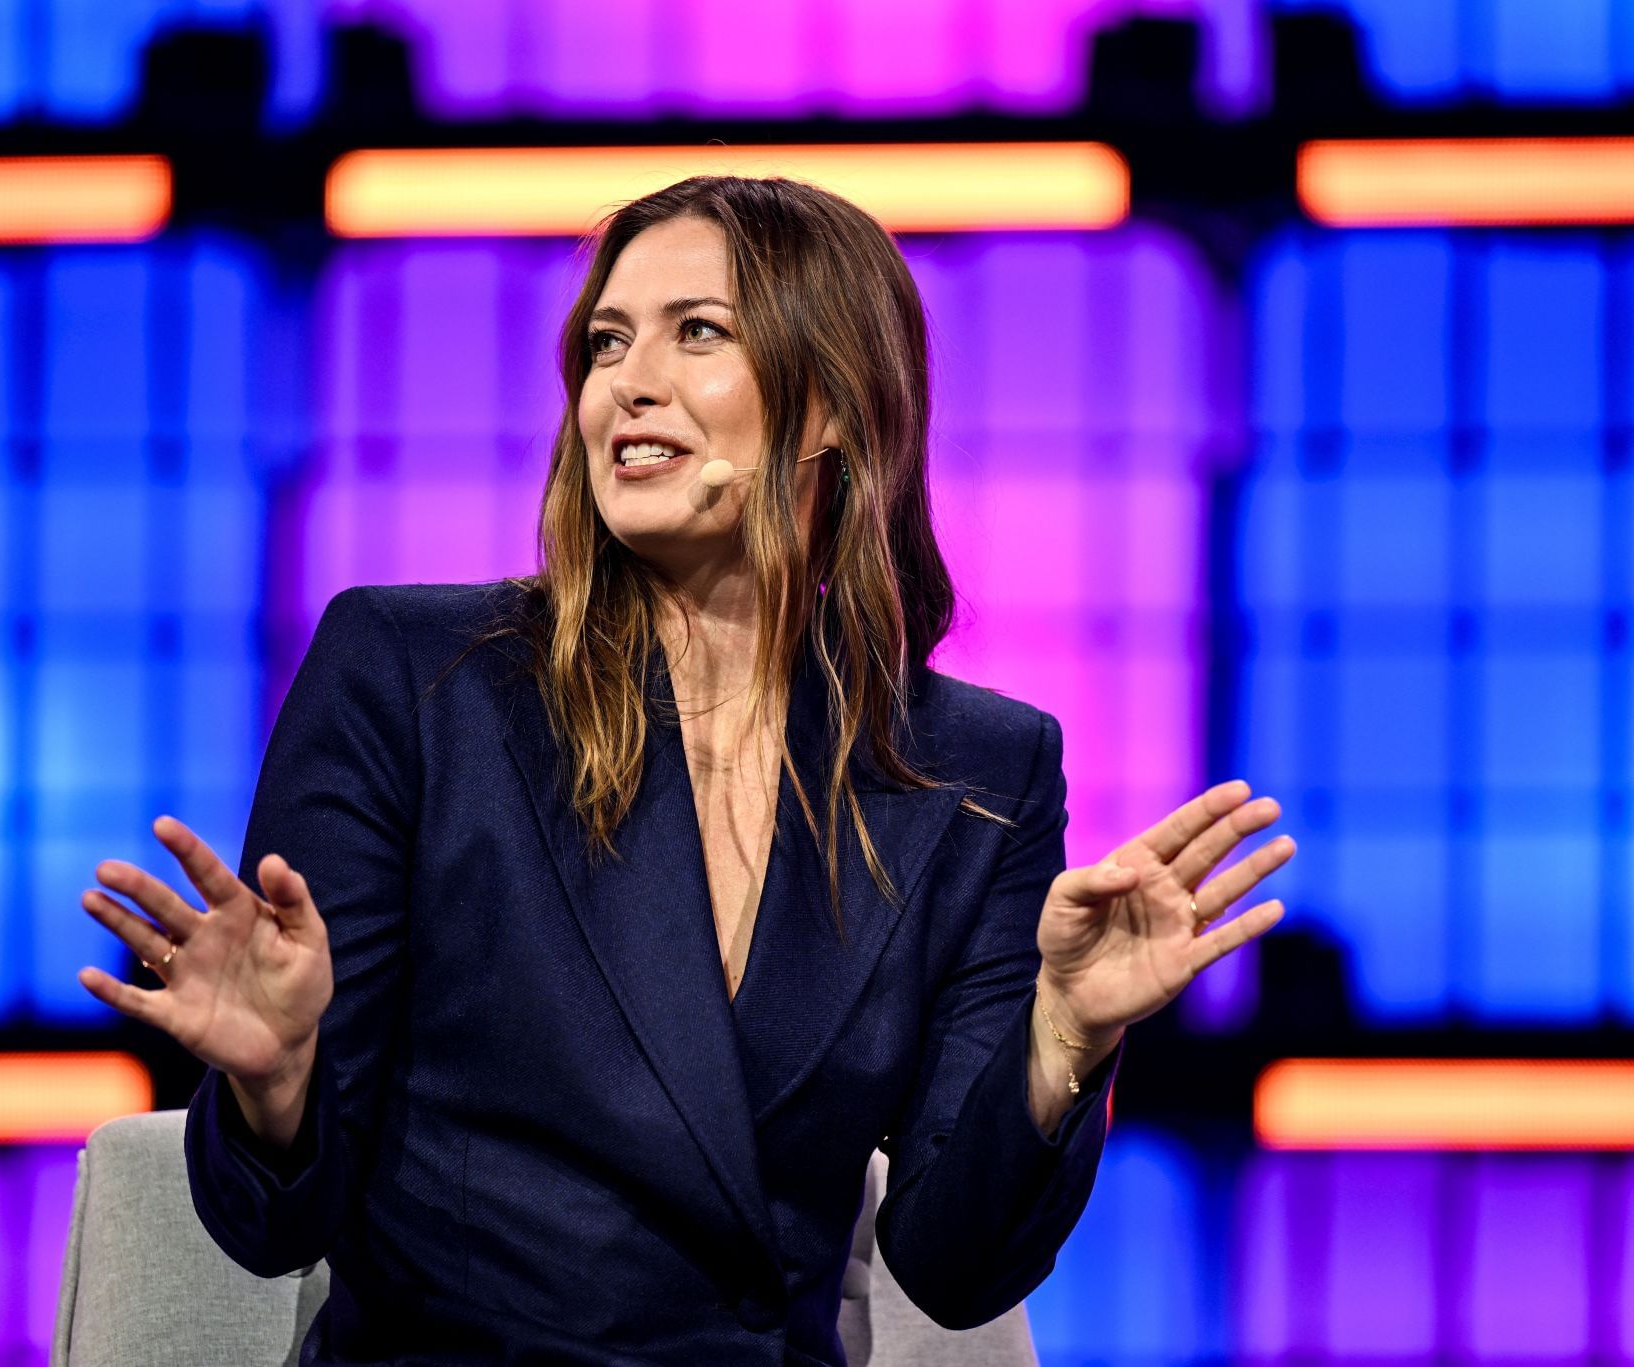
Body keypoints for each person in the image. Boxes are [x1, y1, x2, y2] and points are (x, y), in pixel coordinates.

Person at [77, 175, 1294, 1366]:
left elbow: (951, 1265)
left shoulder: (975, 768)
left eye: (695, 332)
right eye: (607, 344)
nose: (627, 385)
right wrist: (277, 1083)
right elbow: (272, 1220)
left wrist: (1060, 1038)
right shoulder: (414, 677)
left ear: (829, 404)